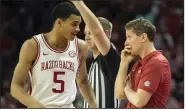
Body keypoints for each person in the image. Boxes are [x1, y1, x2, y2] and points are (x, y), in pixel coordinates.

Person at [10, 2, 97, 108]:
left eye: (79, 24)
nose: (78, 29)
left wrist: (95, 106)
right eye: (74, 24)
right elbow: (15, 87)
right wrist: (38, 106)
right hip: (41, 106)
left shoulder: (80, 47)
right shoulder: (33, 45)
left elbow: (83, 82)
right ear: (59, 22)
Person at [72, 1, 121, 108]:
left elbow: (97, 32)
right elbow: (82, 83)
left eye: (90, 33)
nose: (87, 37)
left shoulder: (111, 57)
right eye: (85, 33)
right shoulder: (94, 64)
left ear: (106, 34)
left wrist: (78, 3)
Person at [115, 17, 171, 108]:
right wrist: (124, 63)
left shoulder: (157, 63)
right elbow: (119, 94)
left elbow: (139, 101)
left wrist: (127, 88)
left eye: (129, 37)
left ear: (143, 37)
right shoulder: (139, 64)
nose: (125, 43)